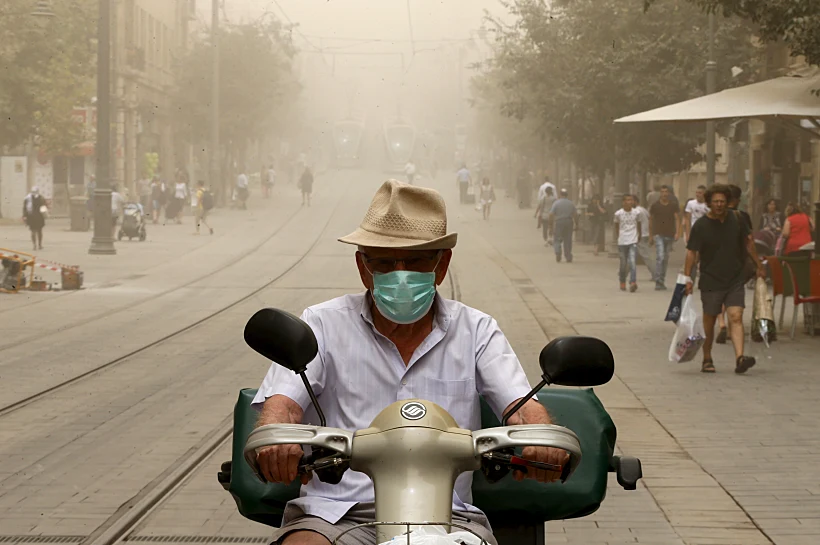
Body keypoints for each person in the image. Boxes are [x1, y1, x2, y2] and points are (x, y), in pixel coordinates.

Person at [252, 180, 567, 545]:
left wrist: (543, 439)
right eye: (384, 262)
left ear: (442, 263)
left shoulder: (476, 329)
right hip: (336, 514)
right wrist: (276, 439)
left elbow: (522, 407)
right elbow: (283, 406)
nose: (400, 274)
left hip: (449, 517)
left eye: (416, 261)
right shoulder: (322, 323)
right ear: (363, 266)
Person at [683, 184, 765, 374]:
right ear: (709, 203)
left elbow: (749, 242)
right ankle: (707, 357)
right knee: (709, 321)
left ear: (728, 202)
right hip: (711, 279)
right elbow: (691, 253)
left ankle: (740, 358)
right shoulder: (701, 226)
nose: (719, 205)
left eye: (722, 201)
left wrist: (758, 265)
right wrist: (687, 277)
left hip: (735, 278)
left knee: (736, 316)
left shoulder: (737, 219)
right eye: (715, 202)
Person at [649, 185, 681, 291]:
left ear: (669, 193)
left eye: (666, 192)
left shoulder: (673, 205)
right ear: (660, 193)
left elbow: (677, 219)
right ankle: (658, 280)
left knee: (665, 259)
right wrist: (651, 235)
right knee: (661, 256)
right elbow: (651, 220)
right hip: (658, 234)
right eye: (662, 192)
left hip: (670, 234)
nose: (664, 194)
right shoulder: (655, 206)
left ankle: (661, 280)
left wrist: (677, 232)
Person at [614, 194, 642, 293]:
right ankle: (622, 281)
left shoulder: (637, 213)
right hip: (622, 241)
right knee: (623, 263)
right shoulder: (618, 214)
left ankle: (633, 282)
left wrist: (639, 236)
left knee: (632, 262)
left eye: (631, 200)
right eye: (627, 200)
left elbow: (639, 225)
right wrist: (619, 237)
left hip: (633, 240)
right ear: (623, 202)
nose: (629, 202)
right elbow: (616, 226)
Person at [548, 188, 576, 263]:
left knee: (557, 238)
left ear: (560, 195)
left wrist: (550, 224)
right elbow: (575, 214)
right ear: (567, 195)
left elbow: (551, 214)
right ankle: (568, 256)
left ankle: (558, 252)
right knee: (568, 239)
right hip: (569, 222)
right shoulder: (571, 203)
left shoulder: (556, 203)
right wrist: (577, 224)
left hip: (559, 222)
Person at [632, 196, 656, 281]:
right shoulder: (643, 210)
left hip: (640, 236)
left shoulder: (636, 211)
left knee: (647, 256)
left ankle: (656, 274)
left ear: (635, 202)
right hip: (645, 234)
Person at [22, 187, 47, 251]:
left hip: (34, 216)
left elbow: (25, 208)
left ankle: (37, 245)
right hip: (35, 216)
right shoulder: (38, 198)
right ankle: (37, 245)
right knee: (37, 231)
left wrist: (25, 216)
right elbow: (44, 206)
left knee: (36, 231)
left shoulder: (29, 198)